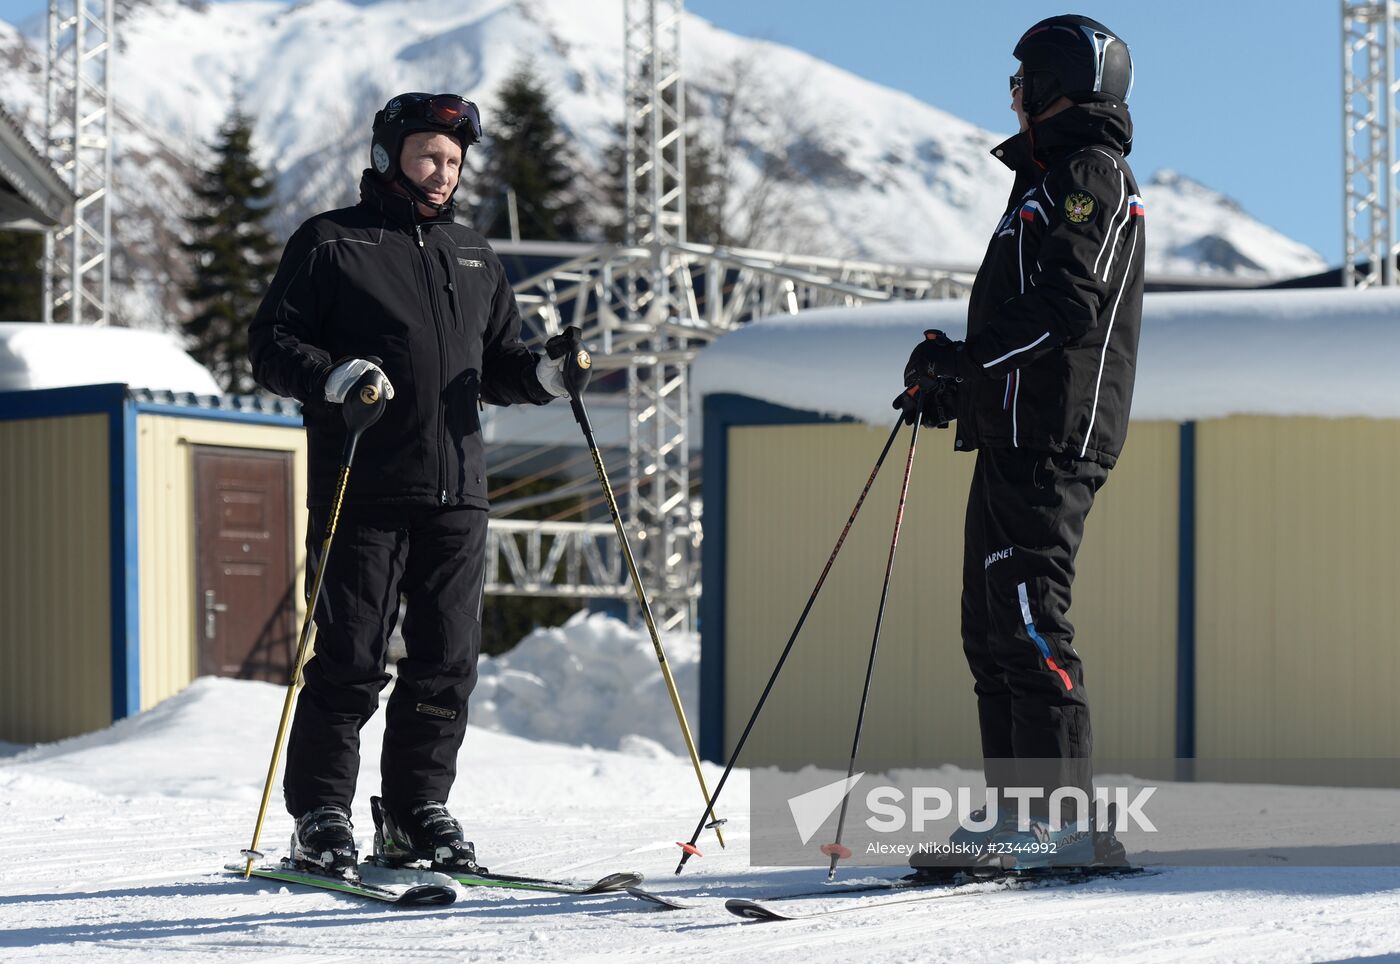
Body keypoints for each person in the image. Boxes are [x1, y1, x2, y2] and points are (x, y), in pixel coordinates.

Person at [248, 92, 591, 878]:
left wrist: (544, 373)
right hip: (361, 486)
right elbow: (269, 344)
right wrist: (330, 374)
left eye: (454, 161)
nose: (442, 173)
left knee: (446, 663)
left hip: (458, 493)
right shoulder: (332, 243)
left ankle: (412, 812)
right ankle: (322, 816)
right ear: (387, 157)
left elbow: (500, 364)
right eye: (428, 157)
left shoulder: (473, 254)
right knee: (351, 660)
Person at [897, 15, 1143, 871]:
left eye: (1021, 83)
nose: (1012, 98)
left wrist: (972, 363)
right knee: (992, 625)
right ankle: (1017, 814)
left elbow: (1068, 306)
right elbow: (1019, 315)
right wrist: (953, 374)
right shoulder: (1043, 179)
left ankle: (1061, 820)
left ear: (1052, 87)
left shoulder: (1089, 173)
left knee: (1032, 617)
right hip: (1011, 430)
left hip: (1053, 434)